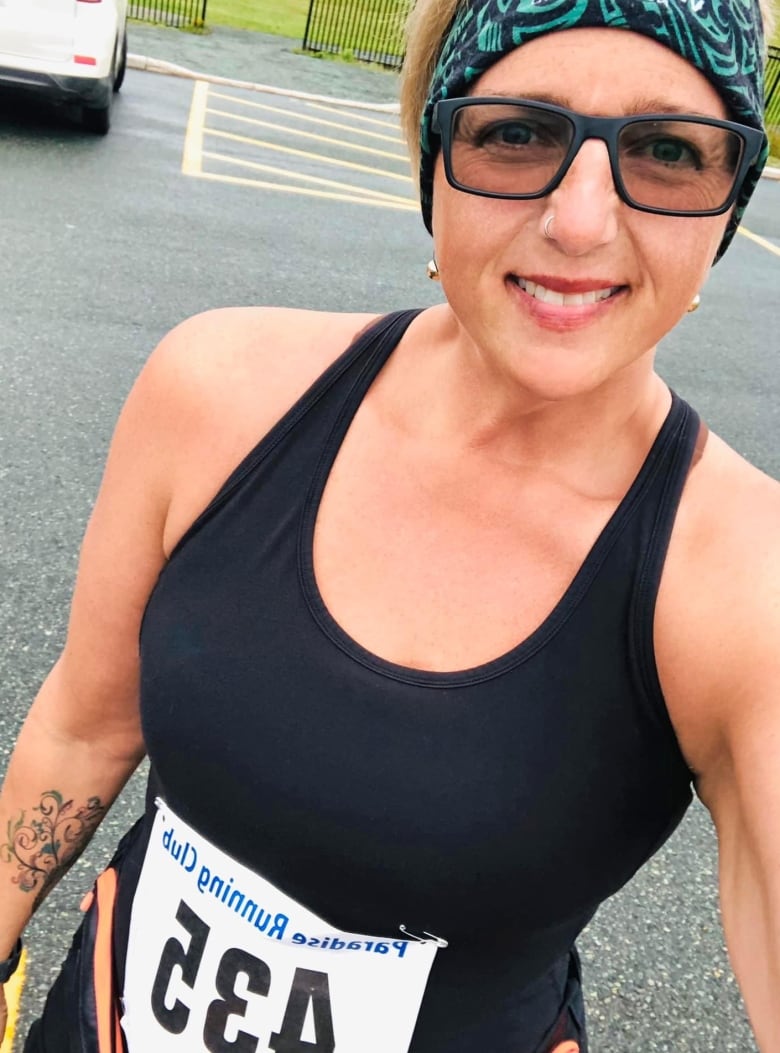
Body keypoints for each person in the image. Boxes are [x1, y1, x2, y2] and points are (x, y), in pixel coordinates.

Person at [1, 0, 778, 1050]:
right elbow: (86, 725)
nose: (583, 219)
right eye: (517, 133)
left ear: (726, 206)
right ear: (433, 161)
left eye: (669, 152)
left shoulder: (739, 575)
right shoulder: (219, 393)